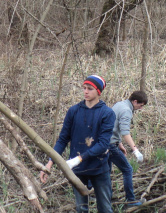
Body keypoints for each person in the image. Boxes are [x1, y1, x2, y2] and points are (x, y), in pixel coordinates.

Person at [40, 75, 116, 213]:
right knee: (81, 209)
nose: (85, 91)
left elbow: (103, 144)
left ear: (98, 91)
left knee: (105, 208)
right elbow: (63, 139)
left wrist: (79, 159)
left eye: (90, 89)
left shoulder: (107, 113)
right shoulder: (74, 111)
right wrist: (50, 163)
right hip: (78, 171)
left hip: (99, 168)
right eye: (84, 88)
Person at [109, 90, 148, 208]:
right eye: (140, 106)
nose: (140, 108)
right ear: (135, 101)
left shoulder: (119, 104)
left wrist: (119, 143)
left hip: (104, 142)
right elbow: (125, 132)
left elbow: (113, 126)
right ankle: (130, 201)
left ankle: (105, 198)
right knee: (127, 170)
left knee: (105, 172)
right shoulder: (126, 110)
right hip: (110, 145)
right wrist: (135, 150)